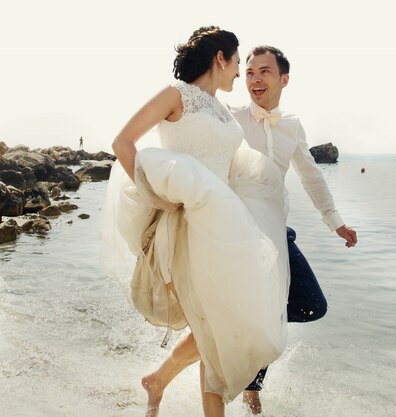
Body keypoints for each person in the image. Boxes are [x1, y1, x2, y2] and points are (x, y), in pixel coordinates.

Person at [138, 45, 358, 416]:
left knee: (310, 305)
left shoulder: (293, 126)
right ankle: (246, 385)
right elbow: (193, 145)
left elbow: (311, 175)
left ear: (283, 79)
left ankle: (180, 377)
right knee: (233, 317)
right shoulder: (227, 117)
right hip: (231, 234)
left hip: (275, 230)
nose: (254, 79)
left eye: (264, 72)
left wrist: (335, 220)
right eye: (250, 71)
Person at [102, 26, 290, 417]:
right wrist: (154, 196)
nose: (240, 73)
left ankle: (157, 381)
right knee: (213, 330)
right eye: (238, 63)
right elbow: (123, 142)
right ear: (220, 58)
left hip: (225, 227)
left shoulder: (222, 109)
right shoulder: (175, 95)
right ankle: (166, 385)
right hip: (188, 228)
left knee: (224, 327)